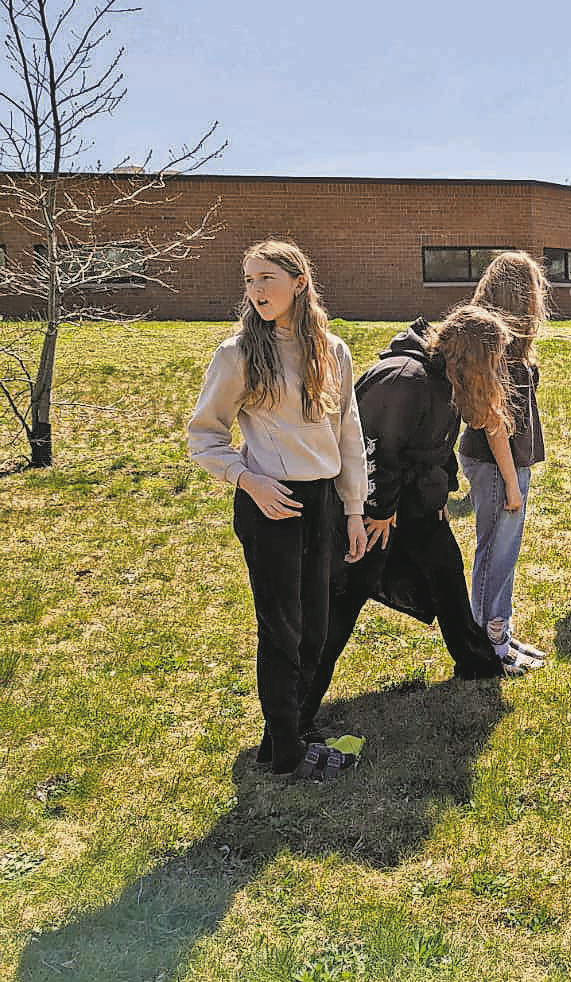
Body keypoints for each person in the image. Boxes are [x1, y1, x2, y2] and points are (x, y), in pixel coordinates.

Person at [187, 240, 368, 778]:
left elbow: (348, 433)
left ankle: (284, 736)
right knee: (281, 630)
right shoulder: (238, 353)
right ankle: (289, 755)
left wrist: (354, 509)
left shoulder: (332, 351)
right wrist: (249, 481)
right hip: (269, 503)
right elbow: (204, 437)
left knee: (315, 627)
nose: (256, 290)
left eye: (266, 277)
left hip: (321, 503)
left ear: (299, 281)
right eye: (248, 280)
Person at [302, 305, 513, 732]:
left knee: (447, 574)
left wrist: (439, 492)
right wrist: (377, 510)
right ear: (472, 355)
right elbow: (374, 448)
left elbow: (438, 446)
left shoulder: (447, 380)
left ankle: (476, 663)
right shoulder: (405, 379)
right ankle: (297, 710)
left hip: (415, 505)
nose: (498, 368)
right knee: (344, 600)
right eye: (494, 358)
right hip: (371, 510)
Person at [457, 252, 549, 672]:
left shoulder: (509, 344)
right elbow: (493, 421)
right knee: (496, 549)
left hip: (509, 462)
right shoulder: (492, 343)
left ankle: (500, 632)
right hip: (496, 463)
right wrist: (512, 483)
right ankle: (488, 641)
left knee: (503, 549)